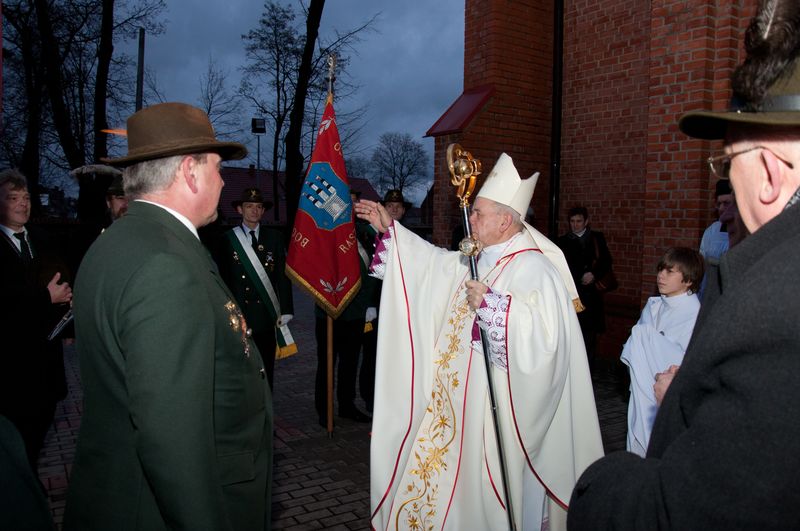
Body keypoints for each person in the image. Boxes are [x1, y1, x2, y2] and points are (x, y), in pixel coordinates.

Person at [568, 4, 800, 528]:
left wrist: (595, 484)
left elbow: (685, 512)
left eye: (725, 164)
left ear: (766, 173)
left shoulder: (772, 311)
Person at [356, 153, 603, 530]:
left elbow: (546, 345)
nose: (471, 219)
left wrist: (494, 308)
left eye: (480, 213)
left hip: (495, 416)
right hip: (456, 409)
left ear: (505, 221)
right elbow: (433, 267)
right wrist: (390, 228)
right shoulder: (482, 256)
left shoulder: (534, 268)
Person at [64, 102, 274, 531]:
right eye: (217, 168)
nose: (222, 179)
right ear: (189, 171)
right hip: (161, 508)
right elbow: (172, 438)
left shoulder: (121, 240)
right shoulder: (166, 263)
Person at [0, 169, 72, 471]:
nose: (22, 204)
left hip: (47, 366)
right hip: (12, 370)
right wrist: (46, 299)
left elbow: (59, 280)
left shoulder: (42, 240)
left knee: (40, 429)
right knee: (17, 440)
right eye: (13, 198)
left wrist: (69, 304)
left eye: (26, 198)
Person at [620, 247, 703, 457]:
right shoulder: (654, 305)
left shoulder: (694, 313)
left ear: (689, 280)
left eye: (670, 271)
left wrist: (648, 339)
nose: (661, 276)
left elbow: (688, 360)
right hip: (642, 389)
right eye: (660, 270)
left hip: (668, 396)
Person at [216, 187, 294, 391]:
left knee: (266, 368)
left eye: (258, 207)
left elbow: (282, 276)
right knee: (241, 368)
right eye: (249, 206)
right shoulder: (226, 240)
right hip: (239, 315)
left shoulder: (274, 237)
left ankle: (266, 409)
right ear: (240, 210)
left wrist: (286, 309)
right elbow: (222, 279)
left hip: (266, 315)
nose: (254, 211)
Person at [314, 190, 379, 426]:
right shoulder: (323, 233)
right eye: (344, 202)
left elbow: (373, 269)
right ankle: (324, 409)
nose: (348, 206)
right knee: (326, 363)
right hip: (328, 310)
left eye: (353, 202)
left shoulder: (364, 233)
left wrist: (368, 304)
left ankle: (347, 405)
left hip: (356, 309)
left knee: (350, 361)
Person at [358, 189, 407, 412]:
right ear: (383, 209)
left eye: (398, 206)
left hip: (401, 307)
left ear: (404, 210)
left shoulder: (411, 237)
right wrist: (369, 304)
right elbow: (367, 273)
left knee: (397, 354)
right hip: (376, 306)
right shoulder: (367, 235)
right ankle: (370, 397)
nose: (394, 209)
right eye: (390, 205)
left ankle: (394, 396)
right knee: (372, 354)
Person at [557, 206, 612, 364]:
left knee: (589, 337)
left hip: (591, 296)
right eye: (572, 221)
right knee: (571, 335)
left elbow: (606, 261)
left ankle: (587, 370)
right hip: (572, 294)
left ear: (586, 221)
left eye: (579, 221)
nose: (575, 225)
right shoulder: (562, 241)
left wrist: (594, 274)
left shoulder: (596, 238)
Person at [697, 179, 732, 299]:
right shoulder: (712, 231)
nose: (721, 208)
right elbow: (701, 265)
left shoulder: (746, 229)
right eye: (719, 204)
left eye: (726, 203)